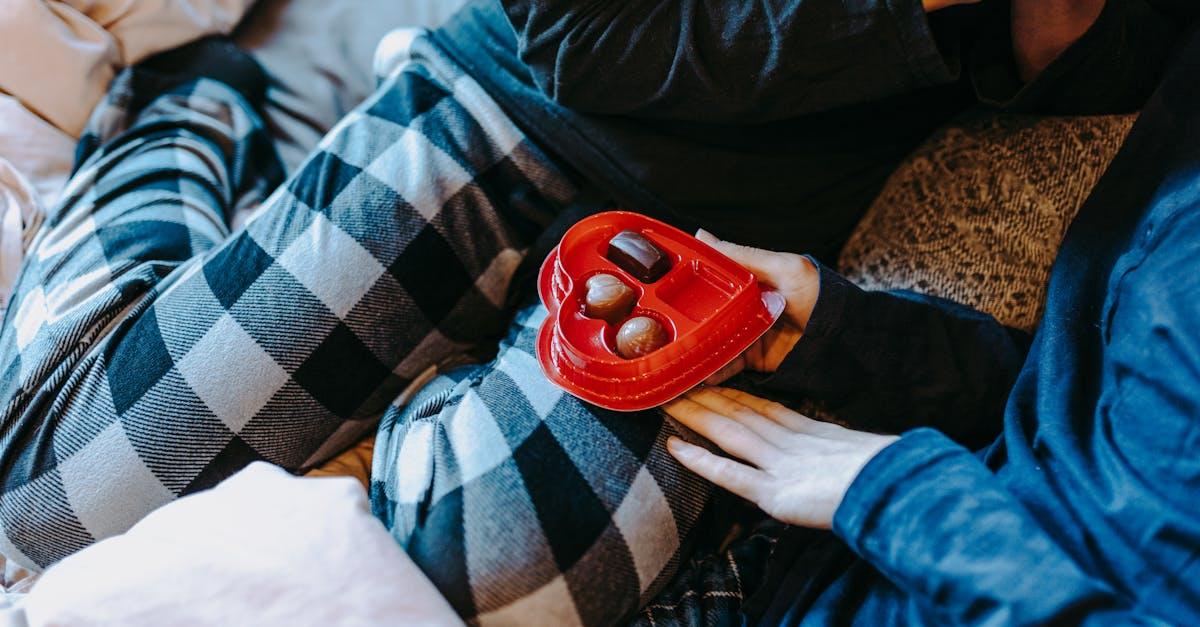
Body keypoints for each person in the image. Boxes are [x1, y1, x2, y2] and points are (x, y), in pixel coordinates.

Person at [0, 0, 1190, 624]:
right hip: (500, 113)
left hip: (717, 252)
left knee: (515, 579)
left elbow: (1102, 66)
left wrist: (1054, 39)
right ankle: (188, 113)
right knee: (48, 513)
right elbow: (589, 42)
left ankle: (389, 383)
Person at [650, 24, 1200, 623]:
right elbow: (1065, 418)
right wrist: (842, 335)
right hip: (825, 549)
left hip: (865, 555)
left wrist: (898, 499)